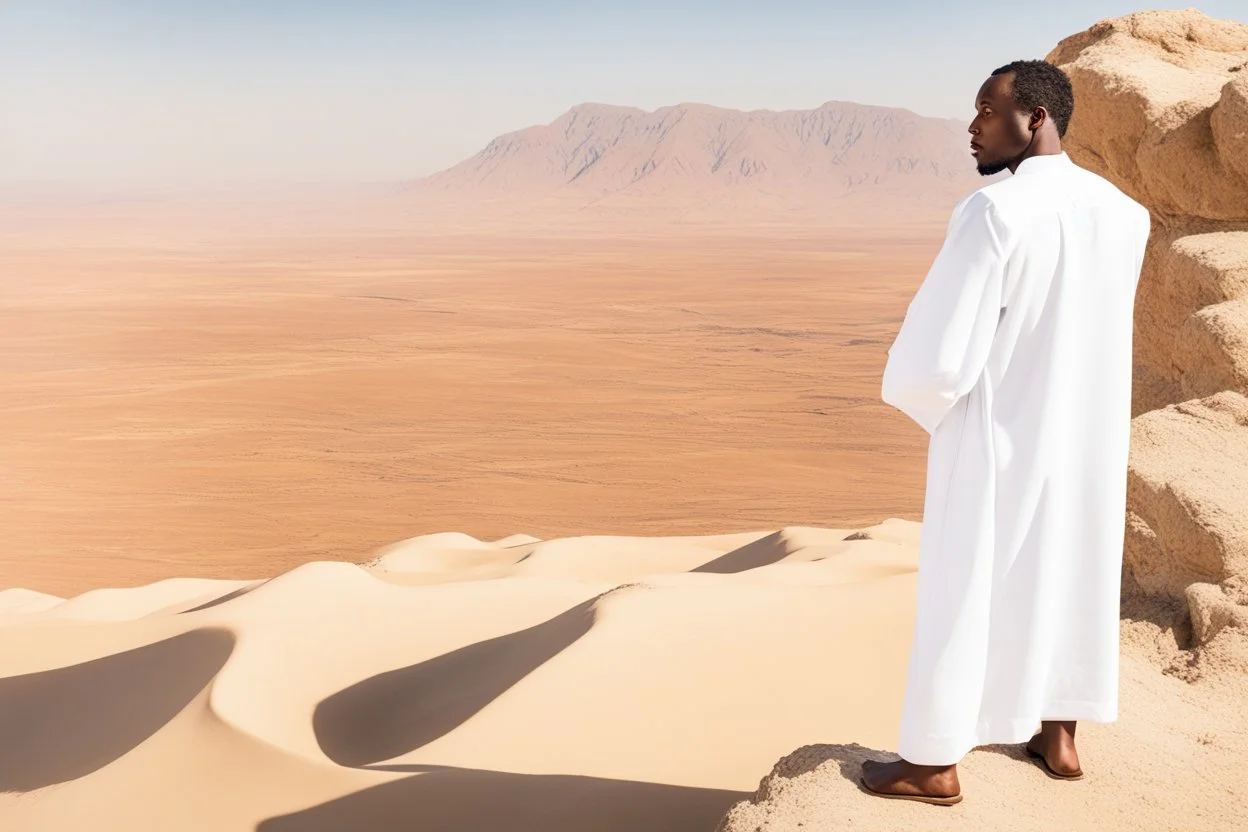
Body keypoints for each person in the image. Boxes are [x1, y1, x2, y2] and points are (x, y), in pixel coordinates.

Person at [860, 59, 1152, 806]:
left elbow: (943, 349)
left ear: (1036, 120)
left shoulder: (994, 214)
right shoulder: (1125, 212)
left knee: (965, 583)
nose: (973, 126)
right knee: (1072, 570)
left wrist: (921, 392)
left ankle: (931, 762)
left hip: (997, 431)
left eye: (987, 110)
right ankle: (1059, 737)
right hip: (1086, 436)